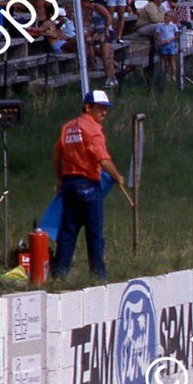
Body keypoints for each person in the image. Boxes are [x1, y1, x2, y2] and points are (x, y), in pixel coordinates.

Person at [52, 90, 125, 282]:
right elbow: (102, 159)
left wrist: (59, 178)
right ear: (88, 107)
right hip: (88, 184)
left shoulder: (68, 127)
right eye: (100, 108)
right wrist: (117, 177)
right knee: (94, 233)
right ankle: (98, 276)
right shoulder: (93, 129)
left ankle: (58, 275)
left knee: (68, 232)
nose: (104, 113)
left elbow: (57, 153)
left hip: (69, 184)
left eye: (106, 109)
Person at [154, 8, 179, 77]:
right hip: (164, 44)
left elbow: (177, 35)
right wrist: (161, 40)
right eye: (165, 16)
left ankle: (174, 75)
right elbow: (157, 35)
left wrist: (171, 39)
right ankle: (167, 74)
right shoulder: (161, 26)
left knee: (172, 60)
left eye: (168, 17)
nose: (166, 18)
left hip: (171, 44)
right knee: (166, 61)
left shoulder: (173, 26)